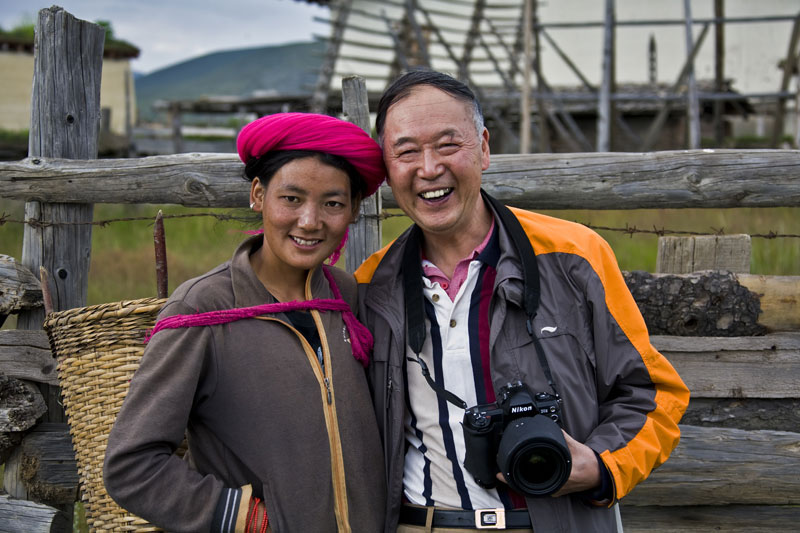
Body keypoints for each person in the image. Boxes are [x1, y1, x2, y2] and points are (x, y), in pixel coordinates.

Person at [355, 69, 690, 532]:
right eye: (406, 152)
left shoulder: (574, 258)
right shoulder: (371, 285)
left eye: (448, 145)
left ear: (484, 148)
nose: (428, 168)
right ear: (388, 169)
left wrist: (601, 466)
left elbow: (653, 393)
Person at [104, 113, 387, 533]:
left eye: (333, 203)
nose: (310, 221)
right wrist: (248, 520)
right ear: (258, 194)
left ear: (354, 210)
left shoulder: (347, 298)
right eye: (291, 199)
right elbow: (131, 465)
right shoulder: (203, 309)